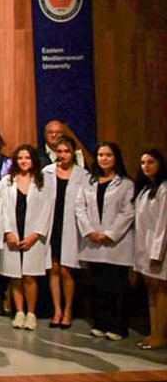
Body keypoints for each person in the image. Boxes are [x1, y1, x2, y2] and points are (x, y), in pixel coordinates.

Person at [77, 142, 134, 341]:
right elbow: (80, 208)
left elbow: (127, 212)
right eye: (101, 155)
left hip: (115, 243)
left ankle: (118, 326)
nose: (104, 159)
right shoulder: (89, 182)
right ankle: (100, 323)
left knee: (116, 286)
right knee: (99, 286)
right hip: (93, 241)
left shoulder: (126, 184)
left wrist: (110, 233)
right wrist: (90, 231)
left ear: (115, 158)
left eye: (108, 155)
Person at [0, 145, 52, 330]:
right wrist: (7, 231)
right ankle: (19, 312)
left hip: (33, 236)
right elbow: (2, 209)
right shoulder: (7, 181)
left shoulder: (42, 182)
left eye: (27, 158)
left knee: (30, 276)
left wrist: (36, 235)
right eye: (20, 158)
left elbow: (47, 211)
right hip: (13, 233)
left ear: (33, 160)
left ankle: (31, 313)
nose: (23, 161)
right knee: (15, 276)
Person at [45, 137, 88, 329]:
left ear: (73, 153)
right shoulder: (47, 172)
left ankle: (68, 310)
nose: (62, 155)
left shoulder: (82, 175)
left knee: (66, 270)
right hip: (51, 224)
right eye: (59, 151)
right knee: (53, 269)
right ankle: (57, 310)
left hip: (71, 225)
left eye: (66, 151)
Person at [132, 149, 167, 349]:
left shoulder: (164, 189)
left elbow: (163, 224)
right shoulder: (145, 190)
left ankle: (160, 335)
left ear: (160, 164)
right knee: (151, 292)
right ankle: (153, 332)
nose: (146, 166)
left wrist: (157, 253)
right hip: (143, 248)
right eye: (143, 162)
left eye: (151, 162)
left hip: (158, 251)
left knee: (161, 292)